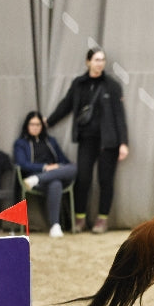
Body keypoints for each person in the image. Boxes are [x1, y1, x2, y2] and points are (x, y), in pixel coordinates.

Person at [45, 47, 129, 234]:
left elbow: (119, 115)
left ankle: (102, 220)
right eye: (96, 60)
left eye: (102, 60)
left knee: (105, 180)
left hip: (109, 142)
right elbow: (65, 105)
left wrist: (123, 143)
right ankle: (80, 218)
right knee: (83, 179)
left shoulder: (112, 85)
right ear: (88, 62)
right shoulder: (79, 84)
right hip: (86, 139)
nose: (100, 63)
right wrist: (47, 122)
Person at [13, 111, 78, 238]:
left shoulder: (51, 141)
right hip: (35, 176)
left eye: (38, 124)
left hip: (50, 175)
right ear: (27, 125)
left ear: (42, 126)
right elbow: (22, 164)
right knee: (56, 183)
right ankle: (55, 225)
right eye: (32, 124)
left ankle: (36, 179)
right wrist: (45, 167)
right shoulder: (21, 143)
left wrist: (59, 168)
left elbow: (63, 160)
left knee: (73, 169)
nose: (35, 127)